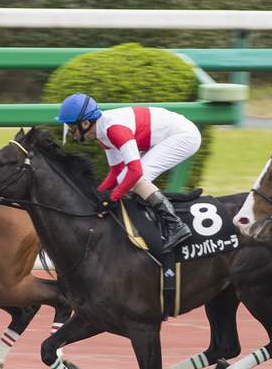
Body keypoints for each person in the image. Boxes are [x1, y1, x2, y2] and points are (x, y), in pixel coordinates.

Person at [55, 93, 199, 252]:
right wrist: (97, 195)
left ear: (85, 123)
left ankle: (175, 224)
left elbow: (135, 172)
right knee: (125, 178)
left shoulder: (114, 130)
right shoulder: (102, 133)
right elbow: (116, 171)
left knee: (137, 178)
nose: (72, 133)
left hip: (184, 135)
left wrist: (113, 197)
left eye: (72, 127)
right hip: (170, 134)